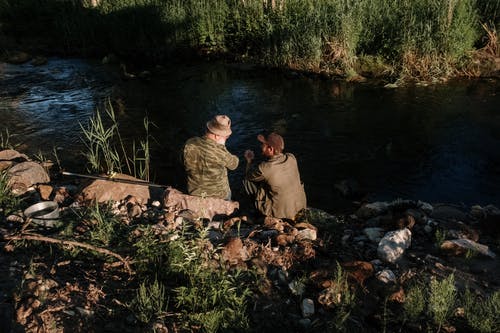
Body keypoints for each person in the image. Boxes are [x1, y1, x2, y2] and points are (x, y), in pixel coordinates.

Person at [244, 132, 307, 220]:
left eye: (263, 144)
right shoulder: (291, 157)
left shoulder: (265, 168)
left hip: (282, 213)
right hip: (300, 205)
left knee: (247, 181)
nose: (261, 146)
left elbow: (248, 175)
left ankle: (257, 213)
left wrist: (249, 161)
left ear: (270, 149)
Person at [183, 115, 239, 200]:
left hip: (194, 193)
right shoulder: (220, 152)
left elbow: (182, 160)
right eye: (226, 136)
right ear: (217, 135)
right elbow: (234, 164)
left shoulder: (189, 143)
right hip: (219, 196)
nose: (227, 138)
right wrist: (222, 146)